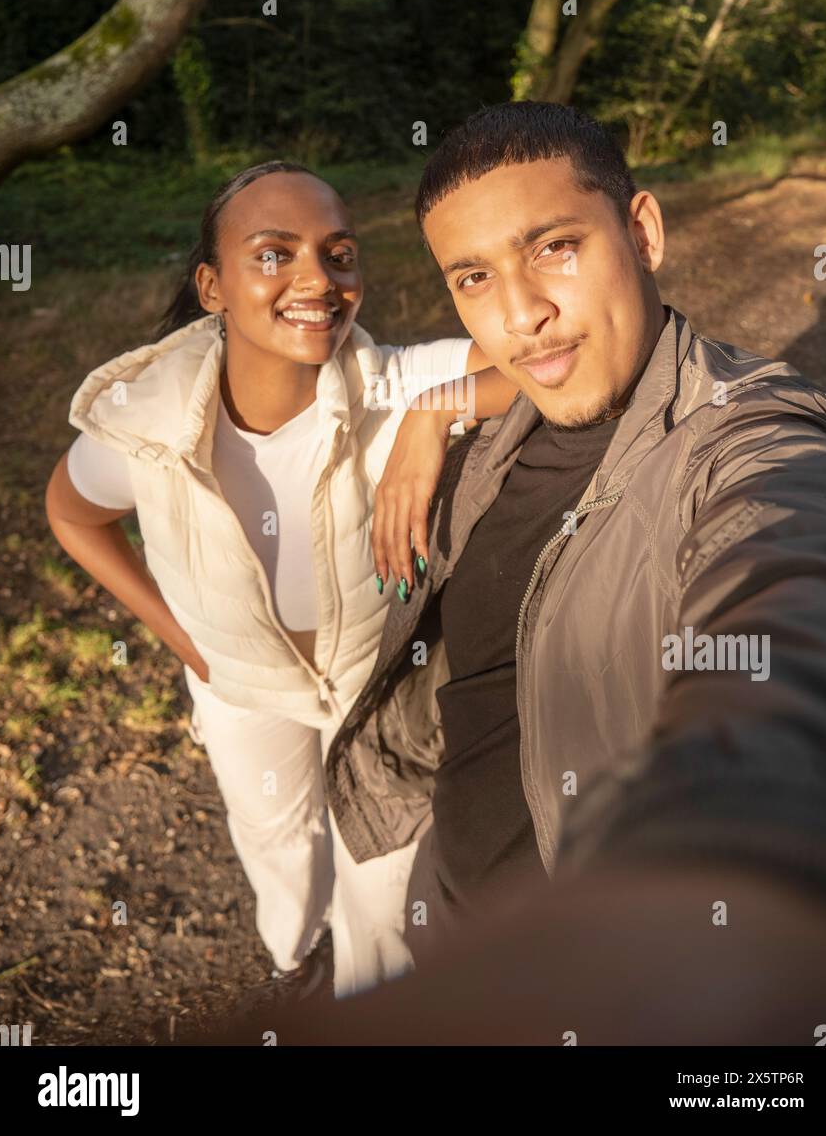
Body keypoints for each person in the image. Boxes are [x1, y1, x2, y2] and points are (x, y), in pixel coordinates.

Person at [325, 101, 826, 970]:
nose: (520, 314)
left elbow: (787, 574)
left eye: (553, 249)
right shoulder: (495, 437)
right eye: (473, 279)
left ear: (642, 233)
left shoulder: (749, 443)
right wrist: (436, 407)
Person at [44, 159, 515, 998]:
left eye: (339, 254)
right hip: (241, 685)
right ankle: (295, 961)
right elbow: (73, 512)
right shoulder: (147, 426)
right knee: (278, 839)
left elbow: (548, 353)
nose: (318, 280)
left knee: (383, 870)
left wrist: (434, 413)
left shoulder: (397, 383)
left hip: (373, 681)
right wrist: (177, 635)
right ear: (212, 285)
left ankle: (367, 1005)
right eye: (274, 253)